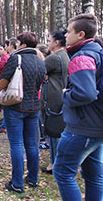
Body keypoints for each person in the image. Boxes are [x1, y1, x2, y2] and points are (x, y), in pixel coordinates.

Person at [53, 14, 103, 201]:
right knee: (93, 174)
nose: (65, 35)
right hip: (101, 125)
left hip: (83, 127)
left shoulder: (82, 57)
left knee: (62, 172)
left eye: (69, 31)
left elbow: (86, 93)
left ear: (80, 34)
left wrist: (65, 94)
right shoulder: (102, 54)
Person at [0, 32, 46, 194]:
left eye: (18, 43)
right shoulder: (41, 62)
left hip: (15, 107)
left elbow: (2, 83)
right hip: (34, 107)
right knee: (32, 144)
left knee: (17, 144)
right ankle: (33, 179)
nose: (16, 45)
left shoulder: (16, 59)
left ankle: (17, 183)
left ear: (23, 45)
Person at [40, 30, 70, 175]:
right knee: (56, 132)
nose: (48, 42)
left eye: (49, 39)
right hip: (60, 97)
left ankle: (55, 163)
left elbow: (39, 71)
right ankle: (56, 162)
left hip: (53, 99)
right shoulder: (64, 56)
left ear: (56, 42)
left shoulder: (54, 58)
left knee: (53, 133)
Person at [0, 38, 17, 133]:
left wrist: (2, 84)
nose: (6, 48)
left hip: (9, 85)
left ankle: (4, 125)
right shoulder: (9, 57)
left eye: (7, 46)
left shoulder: (11, 58)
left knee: (7, 104)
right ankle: (4, 123)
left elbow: (0, 68)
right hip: (6, 83)